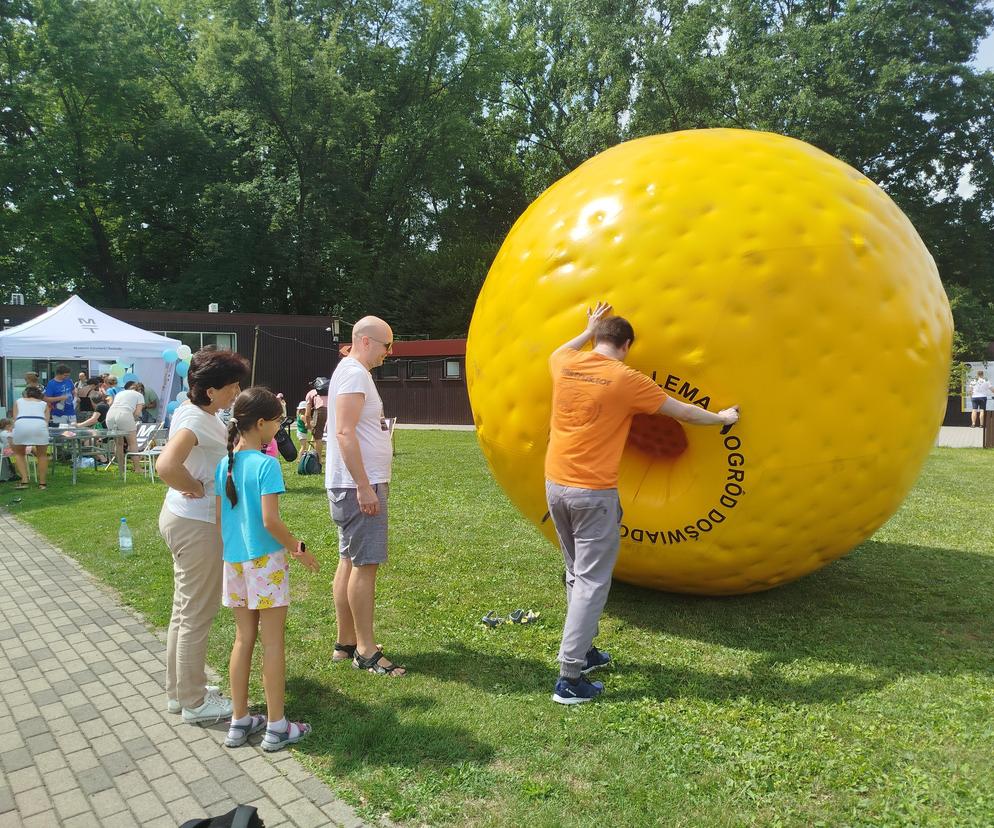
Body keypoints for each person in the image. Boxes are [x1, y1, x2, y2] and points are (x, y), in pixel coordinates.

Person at [545, 302, 739, 705]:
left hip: (555, 484)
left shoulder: (564, 363)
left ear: (598, 338)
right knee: (592, 581)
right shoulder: (626, 379)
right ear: (628, 345)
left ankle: (586, 649)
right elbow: (682, 412)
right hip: (593, 492)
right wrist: (722, 418)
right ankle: (569, 677)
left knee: (575, 571)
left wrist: (586, 329)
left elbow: (561, 349)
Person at [214, 387, 320, 751]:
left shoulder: (223, 464)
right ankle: (277, 726)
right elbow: (270, 520)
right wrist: (299, 549)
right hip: (265, 562)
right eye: (277, 422)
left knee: (243, 639)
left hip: (234, 562)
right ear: (261, 424)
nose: (279, 428)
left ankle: (239, 720)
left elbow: (219, 521)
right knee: (273, 643)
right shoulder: (266, 464)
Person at [156, 346, 250, 724]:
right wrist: (194, 486)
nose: (236, 391)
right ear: (210, 389)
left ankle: (179, 692)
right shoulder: (195, 420)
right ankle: (195, 702)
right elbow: (166, 464)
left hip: (185, 520)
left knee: (183, 610)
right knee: (197, 613)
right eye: (231, 385)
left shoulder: (198, 412)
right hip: (196, 526)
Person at [327, 316, 406, 676]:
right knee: (365, 565)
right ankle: (365, 650)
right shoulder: (356, 373)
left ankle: (346, 642)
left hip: (355, 483)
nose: (389, 353)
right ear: (365, 340)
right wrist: (363, 486)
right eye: (386, 345)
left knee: (348, 560)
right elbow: (344, 432)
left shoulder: (351, 372)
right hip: (359, 485)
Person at [10, 386, 50, 489]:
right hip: (39, 425)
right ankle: (42, 483)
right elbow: (46, 421)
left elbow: (15, 418)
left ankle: (24, 480)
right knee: (42, 455)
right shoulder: (44, 404)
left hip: (21, 424)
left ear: (26, 394)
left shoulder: (18, 401)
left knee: (19, 453)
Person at [105, 381, 146, 474]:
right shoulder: (139, 395)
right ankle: (137, 468)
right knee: (132, 443)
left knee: (118, 443)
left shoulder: (120, 393)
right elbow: (137, 412)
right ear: (140, 390)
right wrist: (132, 419)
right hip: (124, 414)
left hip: (110, 415)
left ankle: (121, 469)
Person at [304, 378, 329, 465]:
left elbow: (307, 413)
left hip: (320, 411)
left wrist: (309, 425)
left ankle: (318, 462)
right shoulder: (330, 391)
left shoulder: (311, 393)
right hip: (333, 410)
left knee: (318, 437)